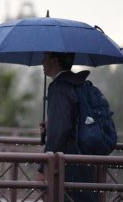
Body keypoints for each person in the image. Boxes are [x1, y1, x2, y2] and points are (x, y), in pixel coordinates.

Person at [37, 52, 97, 202]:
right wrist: (51, 126)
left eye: (46, 58)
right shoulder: (79, 84)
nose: (43, 62)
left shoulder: (59, 88)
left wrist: (43, 167)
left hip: (66, 165)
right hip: (85, 160)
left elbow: (60, 131)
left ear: (56, 61)